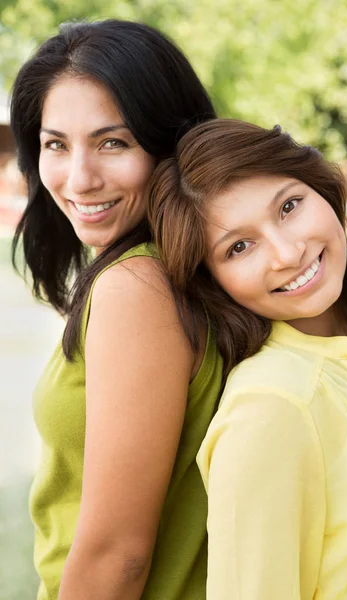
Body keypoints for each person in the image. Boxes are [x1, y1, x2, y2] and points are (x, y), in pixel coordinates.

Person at [11, 20, 223, 600]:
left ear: (171, 143)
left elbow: (117, 556)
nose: (78, 178)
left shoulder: (138, 286)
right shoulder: (168, 268)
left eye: (114, 142)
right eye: (56, 144)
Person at [148, 118, 347, 599]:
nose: (287, 252)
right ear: (212, 283)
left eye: (288, 206)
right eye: (239, 247)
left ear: (322, 188)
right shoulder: (270, 409)